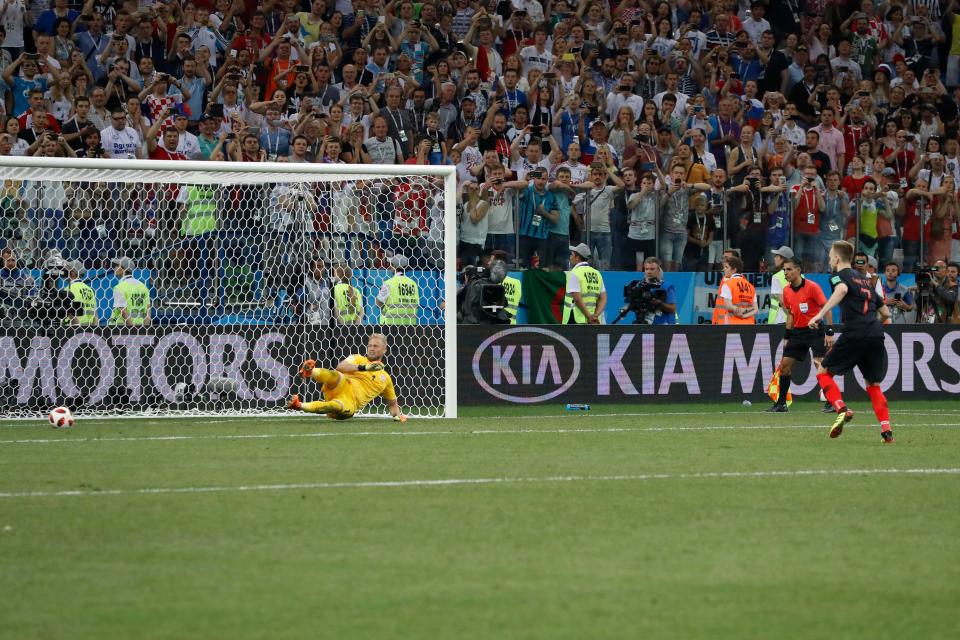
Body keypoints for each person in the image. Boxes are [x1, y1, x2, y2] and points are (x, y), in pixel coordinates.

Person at [808, 240, 894, 443]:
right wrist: (871, 326)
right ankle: (887, 431)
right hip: (875, 332)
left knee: (823, 372)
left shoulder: (838, 276)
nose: (829, 259)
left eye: (830, 256)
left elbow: (842, 291)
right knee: (873, 384)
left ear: (837, 258)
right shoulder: (865, 280)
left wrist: (819, 314)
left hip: (855, 332)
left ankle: (841, 408)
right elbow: (886, 313)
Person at [288, 333, 407, 422]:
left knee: (335, 407)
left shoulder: (385, 378)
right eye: (370, 345)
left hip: (350, 402)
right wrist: (365, 367)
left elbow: (392, 404)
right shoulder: (358, 358)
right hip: (343, 384)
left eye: (376, 346)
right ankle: (310, 372)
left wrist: (398, 415)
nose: (371, 348)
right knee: (335, 375)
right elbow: (341, 366)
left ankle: (299, 405)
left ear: (384, 349)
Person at [766, 257, 832, 412]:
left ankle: (831, 402)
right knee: (785, 366)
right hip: (798, 332)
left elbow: (827, 308)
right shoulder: (786, 291)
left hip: (815, 330)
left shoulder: (812, 287)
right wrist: (787, 336)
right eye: (784, 270)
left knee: (820, 365)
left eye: (789, 269)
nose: (786, 273)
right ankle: (781, 404)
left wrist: (829, 332)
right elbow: (790, 315)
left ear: (798, 270)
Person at [563, 243, 606, 324]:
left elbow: (577, 298)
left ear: (577, 258)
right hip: (593, 320)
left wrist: (589, 316)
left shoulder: (575, 273)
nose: (570, 257)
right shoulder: (597, 273)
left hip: (576, 318)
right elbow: (603, 297)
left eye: (572, 255)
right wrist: (596, 315)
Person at [715, 255, 759, 324]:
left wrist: (739, 311)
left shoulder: (727, 284)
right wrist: (744, 315)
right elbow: (755, 309)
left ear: (734, 270)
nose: (724, 269)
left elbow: (728, 306)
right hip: (749, 324)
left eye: (726, 267)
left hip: (732, 324)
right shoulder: (751, 287)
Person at [376, 255, 419, 325]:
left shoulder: (388, 283)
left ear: (393, 266)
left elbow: (378, 303)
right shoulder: (413, 284)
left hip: (390, 326)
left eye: (391, 264)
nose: (389, 267)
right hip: (410, 325)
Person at [108, 256, 151, 326]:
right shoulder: (143, 286)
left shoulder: (119, 287)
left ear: (123, 268)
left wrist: (132, 330)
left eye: (116, 266)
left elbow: (123, 311)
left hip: (121, 329)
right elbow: (148, 310)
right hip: (140, 328)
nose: (114, 268)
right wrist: (145, 330)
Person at [638, 256, 677, 325]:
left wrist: (660, 303)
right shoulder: (640, 286)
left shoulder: (667, 286)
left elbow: (672, 309)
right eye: (647, 269)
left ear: (658, 270)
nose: (649, 272)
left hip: (664, 326)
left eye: (652, 269)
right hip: (645, 325)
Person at [63, 260, 96, 325]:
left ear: (73, 273)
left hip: (72, 329)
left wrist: (63, 324)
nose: (64, 271)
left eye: (66, 269)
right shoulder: (89, 289)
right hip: (89, 329)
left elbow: (70, 315)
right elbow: (95, 314)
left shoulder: (69, 289)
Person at [767, 246, 793, 324]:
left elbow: (782, 301)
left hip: (780, 318)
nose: (774, 258)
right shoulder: (801, 276)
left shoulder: (777, 277)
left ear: (783, 259)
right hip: (795, 319)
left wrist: (789, 317)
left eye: (777, 256)